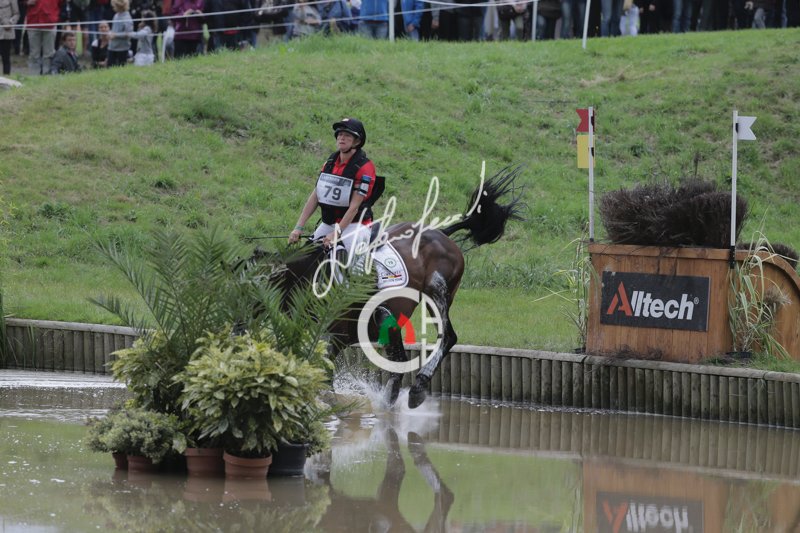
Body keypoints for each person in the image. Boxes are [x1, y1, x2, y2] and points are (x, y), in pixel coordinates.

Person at [288, 118, 378, 268]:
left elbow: (354, 207)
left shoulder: (365, 168)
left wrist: (337, 232)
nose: (341, 138)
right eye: (340, 134)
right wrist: (299, 227)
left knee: (349, 269)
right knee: (305, 258)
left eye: (347, 135)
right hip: (330, 223)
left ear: (357, 141)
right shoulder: (330, 162)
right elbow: (315, 196)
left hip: (355, 225)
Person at [26, 0, 61, 75]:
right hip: (33, 21)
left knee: (49, 53)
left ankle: (47, 74)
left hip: (50, 21)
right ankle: (33, 75)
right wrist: (26, 2)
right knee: (34, 53)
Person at [107, 0, 132, 66]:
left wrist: (116, 35)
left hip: (122, 48)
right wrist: (109, 33)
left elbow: (128, 33)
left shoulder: (127, 18)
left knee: (121, 66)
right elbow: (114, 29)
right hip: (112, 46)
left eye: (114, 6)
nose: (113, 7)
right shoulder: (116, 15)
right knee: (110, 66)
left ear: (119, 6)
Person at [0, 0, 19, 75]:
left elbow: (16, 14)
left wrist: (10, 23)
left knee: (6, 58)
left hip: (6, 32)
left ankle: (7, 77)